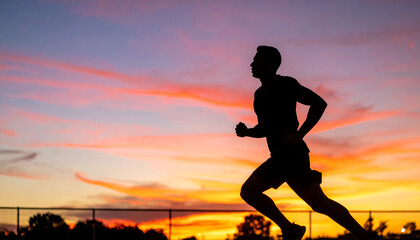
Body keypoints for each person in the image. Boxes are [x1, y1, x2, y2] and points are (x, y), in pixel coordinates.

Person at [235, 46, 374, 240]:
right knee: (320, 204)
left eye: (256, 59)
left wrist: (299, 135)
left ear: (269, 62)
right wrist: (247, 132)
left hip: (291, 154)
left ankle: (290, 229)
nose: (251, 63)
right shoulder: (259, 95)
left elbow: (319, 103)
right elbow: (265, 128)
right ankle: (365, 237)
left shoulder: (286, 84)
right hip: (281, 156)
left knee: (249, 191)